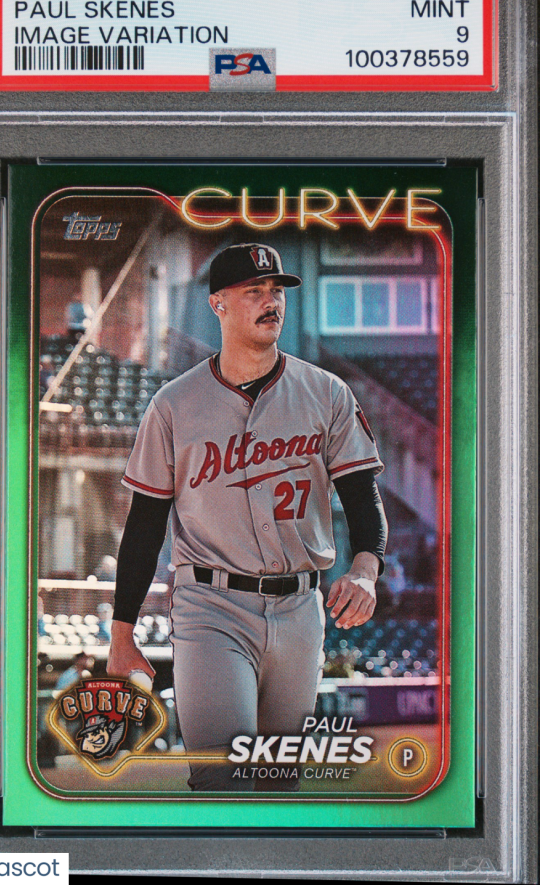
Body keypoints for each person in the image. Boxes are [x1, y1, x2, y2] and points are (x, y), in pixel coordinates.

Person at [108, 243, 387, 791]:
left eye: (276, 291)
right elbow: (144, 525)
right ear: (218, 304)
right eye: (254, 291)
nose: (270, 301)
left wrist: (365, 570)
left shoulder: (327, 393)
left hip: (300, 607)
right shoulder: (173, 404)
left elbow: (362, 497)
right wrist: (122, 632)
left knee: (281, 782)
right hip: (211, 607)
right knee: (224, 779)